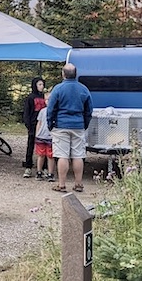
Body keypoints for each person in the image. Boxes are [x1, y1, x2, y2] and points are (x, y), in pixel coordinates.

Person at [46, 63, 93, 193]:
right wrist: (84, 124)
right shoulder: (83, 89)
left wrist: (50, 124)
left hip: (61, 125)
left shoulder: (58, 88)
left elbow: (51, 109)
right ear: (76, 74)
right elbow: (89, 110)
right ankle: (78, 184)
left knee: (62, 155)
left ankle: (61, 185)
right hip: (78, 125)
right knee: (78, 155)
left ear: (63, 74)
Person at [20, 76, 47, 178]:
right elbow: (26, 113)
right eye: (39, 84)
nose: (42, 86)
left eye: (42, 84)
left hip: (43, 126)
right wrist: (28, 125)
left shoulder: (44, 97)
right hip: (33, 125)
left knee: (43, 146)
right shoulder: (30, 98)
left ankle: (43, 167)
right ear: (35, 85)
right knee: (30, 146)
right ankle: (28, 167)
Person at [34, 88, 55, 181]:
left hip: (51, 137)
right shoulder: (42, 111)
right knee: (41, 155)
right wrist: (37, 134)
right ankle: (39, 172)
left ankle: (51, 173)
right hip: (41, 136)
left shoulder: (55, 111)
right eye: (46, 99)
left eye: (50, 99)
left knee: (50, 156)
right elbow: (39, 123)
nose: (48, 101)